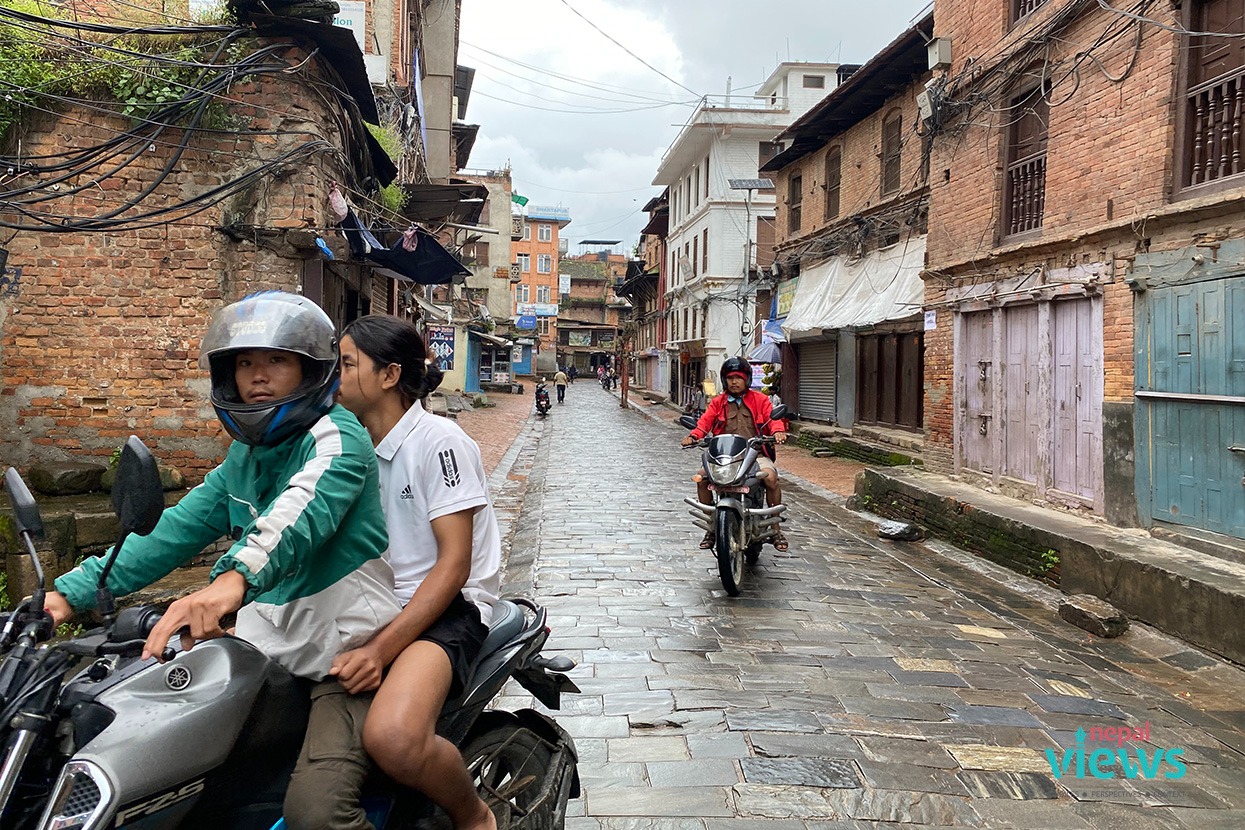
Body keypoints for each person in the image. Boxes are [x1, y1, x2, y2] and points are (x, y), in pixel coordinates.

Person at [43, 291, 402, 830]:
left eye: (276, 361)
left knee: (317, 813)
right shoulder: (244, 456)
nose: (257, 376)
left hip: (343, 659)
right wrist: (62, 596)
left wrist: (229, 583)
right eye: (244, 363)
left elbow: (293, 520)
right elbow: (168, 533)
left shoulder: (337, 438)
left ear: (311, 369)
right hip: (263, 652)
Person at [333, 314, 502, 830]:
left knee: (394, 738)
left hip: (448, 606)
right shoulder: (348, 444)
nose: (334, 378)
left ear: (388, 376)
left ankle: (475, 817)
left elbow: (454, 565)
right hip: (372, 603)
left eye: (345, 365)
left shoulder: (438, 441)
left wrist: (379, 650)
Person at [681, 356, 789, 552]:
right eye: (730, 378)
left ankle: (775, 528)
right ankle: (712, 528)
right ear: (725, 380)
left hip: (754, 454)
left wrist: (777, 431)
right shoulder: (718, 402)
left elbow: (772, 419)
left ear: (746, 379)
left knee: (772, 478)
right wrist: (694, 435)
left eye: (738, 378)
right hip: (724, 457)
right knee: (701, 478)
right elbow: (705, 422)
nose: (734, 382)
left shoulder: (761, 400)